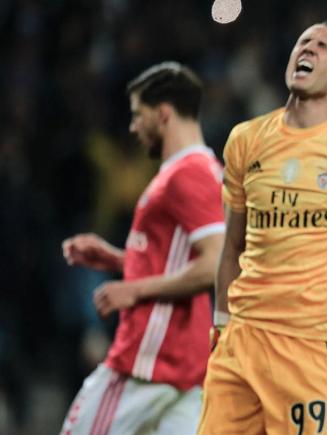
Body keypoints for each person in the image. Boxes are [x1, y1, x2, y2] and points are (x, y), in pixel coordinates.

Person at [198, 22, 327, 435]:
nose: (308, 49)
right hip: (240, 344)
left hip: (313, 348)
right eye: (303, 42)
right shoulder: (245, 139)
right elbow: (232, 248)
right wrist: (221, 325)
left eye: (323, 46)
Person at [60, 62, 225, 435]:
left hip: (147, 360)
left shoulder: (187, 174)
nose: (133, 127)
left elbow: (215, 264)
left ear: (163, 113)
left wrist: (133, 289)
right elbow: (183, 259)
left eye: (138, 115)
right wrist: (121, 259)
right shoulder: (202, 169)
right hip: (184, 367)